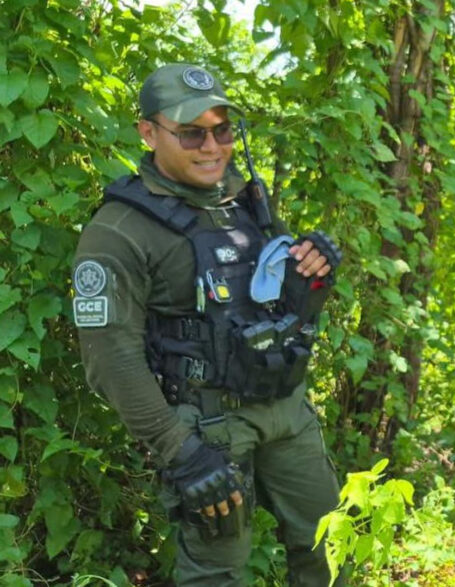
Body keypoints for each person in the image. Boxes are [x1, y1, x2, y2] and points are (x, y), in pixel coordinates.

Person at [72, 63, 344, 585]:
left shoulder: (243, 202)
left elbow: (279, 310)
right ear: (149, 133)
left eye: (222, 130)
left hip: (284, 408)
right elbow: (112, 360)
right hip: (208, 429)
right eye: (192, 132)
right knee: (217, 574)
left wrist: (313, 275)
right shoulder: (119, 231)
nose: (212, 147)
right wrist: (183, 454)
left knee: (332, 550)